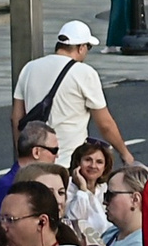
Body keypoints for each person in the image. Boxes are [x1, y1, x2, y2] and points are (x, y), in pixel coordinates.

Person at [9, 20, 133, 170]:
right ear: (81, 48)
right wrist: (125, 153)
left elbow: (16, 118)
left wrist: (22, 156)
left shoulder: (29, 68)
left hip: (33, 163)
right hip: (67, 161)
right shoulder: (84, 73)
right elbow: (105, 124)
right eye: (88, 47)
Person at [0, 121, 60, 214]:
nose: (57, 156)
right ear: (36, 152)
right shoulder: (12, 188)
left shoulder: (11, 184)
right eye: (54, 150)